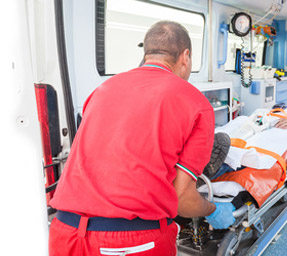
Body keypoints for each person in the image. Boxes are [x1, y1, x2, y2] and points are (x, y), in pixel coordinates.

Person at [49, 21, 235, 256]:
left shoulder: (102, 90)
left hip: (64, 233)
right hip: (127, 242)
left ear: (146, 54)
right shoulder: (196, 104)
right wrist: (211, 209)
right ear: (185, 56)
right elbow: (181, 199)